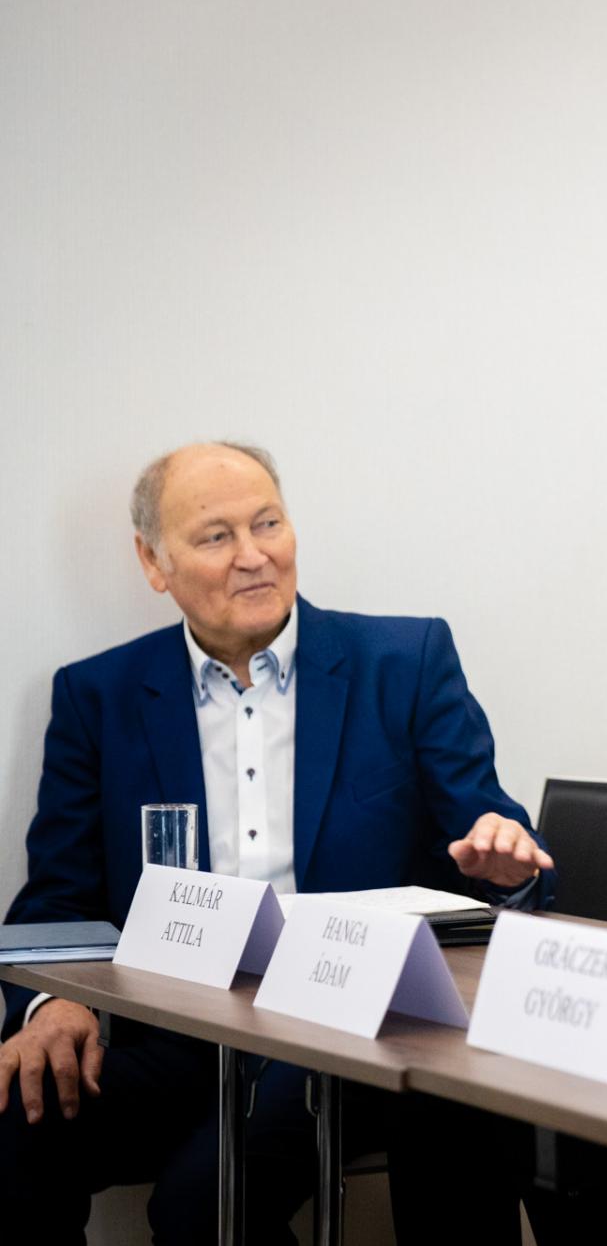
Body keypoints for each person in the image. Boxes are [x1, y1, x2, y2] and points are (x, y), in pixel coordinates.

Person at [0, 441, 552, 1243]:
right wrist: (51, 1003)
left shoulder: (404, 662)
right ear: (153, 562)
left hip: (346, 1035)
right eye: (216, 536)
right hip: (179, 1037)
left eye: (268, 523)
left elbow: (494, 840)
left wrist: (504, 862)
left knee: (201, 1207)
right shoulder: (98, 695)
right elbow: (55, 897)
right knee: (17, 1114)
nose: (254, 555)